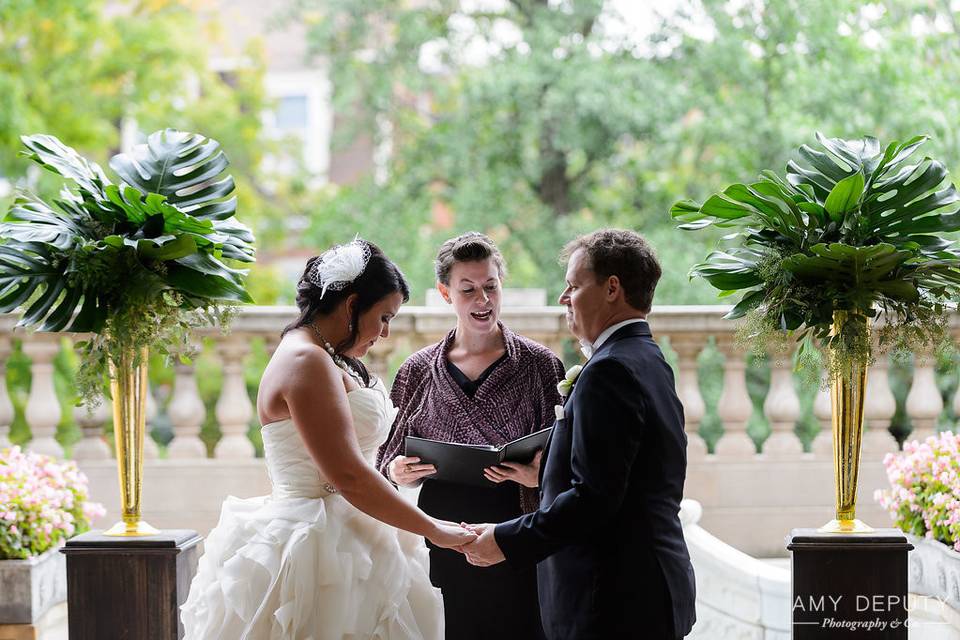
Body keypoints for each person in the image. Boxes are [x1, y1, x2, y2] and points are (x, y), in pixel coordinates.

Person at [181, 239, 475, 640]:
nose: (385, 333)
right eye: (384, 317)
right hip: (316, 549)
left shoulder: (322, 354)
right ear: (352, 305)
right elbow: (349, 476)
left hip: (352, 535)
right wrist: (434, 530)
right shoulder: (306, 361)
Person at [462, 229, 697, 640]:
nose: (563, 297)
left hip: (613, 602)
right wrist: (546, 473)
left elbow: (595, 499)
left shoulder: (610, 371)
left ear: (612, 288)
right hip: (646, 588)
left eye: (573, 285)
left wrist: (505, 539)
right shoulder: (648, 358)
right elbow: (634, 475)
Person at [377, 232, 565, 640]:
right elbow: (383, 459)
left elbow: (569, 459)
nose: (483, 300)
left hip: (518, 531)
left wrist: (539, 475)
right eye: (469, 289)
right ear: (446, 293)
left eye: (491, 287)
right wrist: (398, 471)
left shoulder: (541, 365)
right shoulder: (418, 370)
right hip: (442, 531)